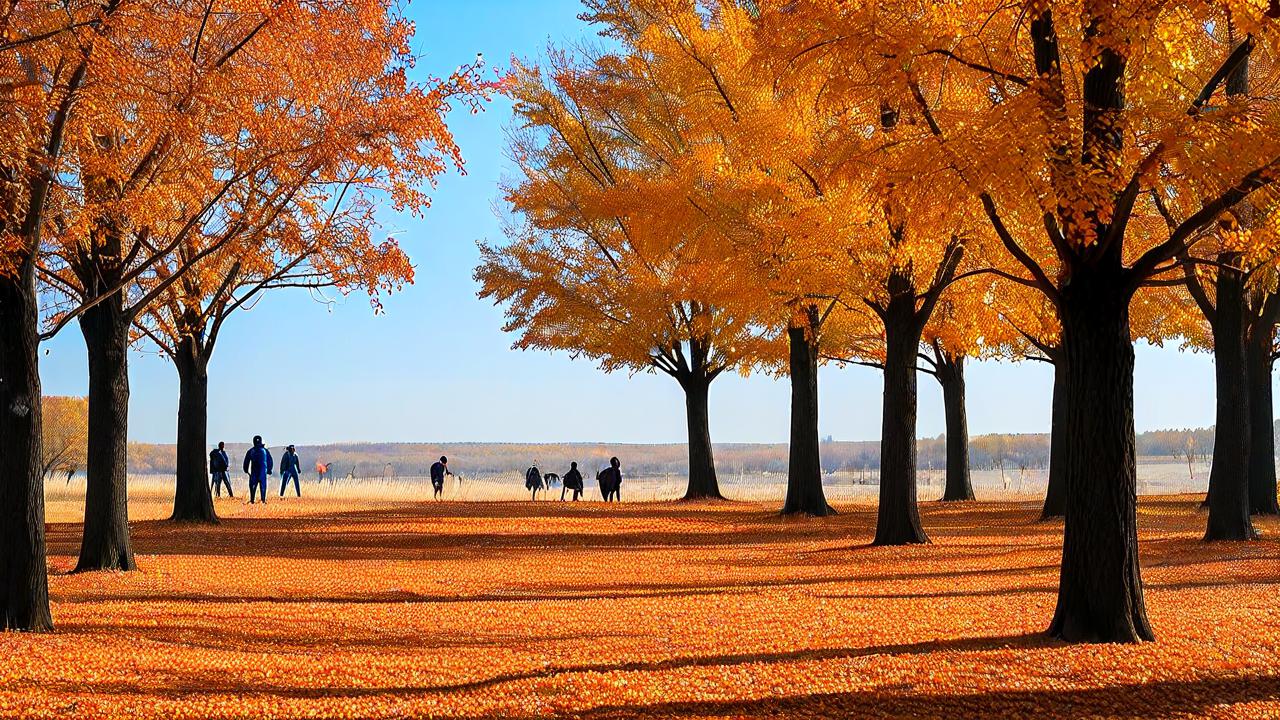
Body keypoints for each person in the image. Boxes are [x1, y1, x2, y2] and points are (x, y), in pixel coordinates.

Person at [243, 435, 273, 504]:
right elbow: (270, 461)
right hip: (263, 472)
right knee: (263, 486)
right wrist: (269, 470)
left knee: (253, 486)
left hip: (254, 472)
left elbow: (246, 462)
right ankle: (263, 500)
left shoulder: (251, 451)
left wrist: (246, 470)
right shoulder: (265, 451)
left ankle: (252, 500)